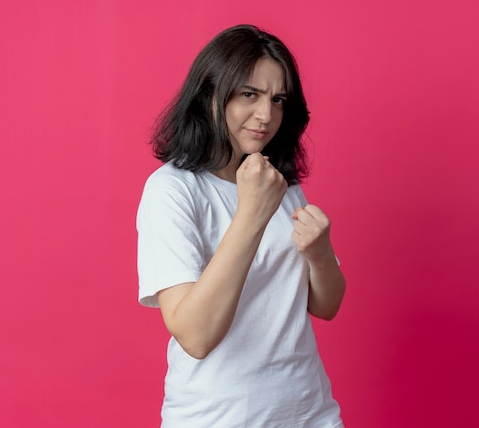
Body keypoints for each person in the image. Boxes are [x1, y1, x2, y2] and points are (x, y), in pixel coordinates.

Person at [136, 24, 346, 428]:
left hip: (309, 414)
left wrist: (321, 255)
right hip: (217, 418)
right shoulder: (173, 190)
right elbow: (195, 335)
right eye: (249, 94)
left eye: (278, 99)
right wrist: (251, 213)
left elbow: (327, 306)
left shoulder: (280, 184)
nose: (266, 115)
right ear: (210, 94)